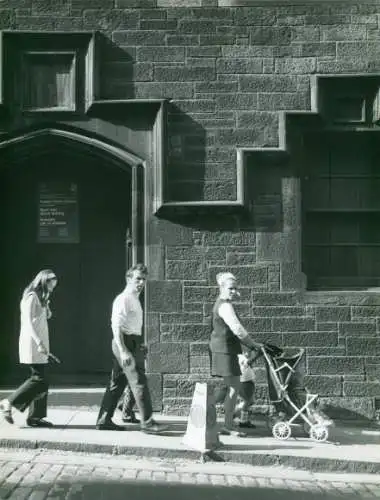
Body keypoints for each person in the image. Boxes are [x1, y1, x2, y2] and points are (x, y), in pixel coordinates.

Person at [96, 263, 168, 434]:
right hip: (124, 343)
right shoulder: (124, 298)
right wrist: (123, 350)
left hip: (132, 342)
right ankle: (148, 423)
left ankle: (103, 420)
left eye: (143, 279)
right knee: (139, 382)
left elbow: (132, 325)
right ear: (129, 279)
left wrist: (139, 342)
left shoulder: (134, 298)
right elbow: (116, 325)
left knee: (117, 384)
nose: (141, 282)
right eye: (138, 279)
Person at [0, 269, 58, 427]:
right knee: (39, 378)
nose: (53, 288)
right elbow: (27, 322)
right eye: (51, 285)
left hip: (40, 343)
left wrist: (47, 305)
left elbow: (45, 317)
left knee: (43, 380)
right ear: (44, 282)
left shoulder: (41, 298)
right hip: (33, 343)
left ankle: (35, 417)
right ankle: (9, 402)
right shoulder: (31, 297)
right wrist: (39, 342)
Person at [209, 272, 262, 436]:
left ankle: (208, 415)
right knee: (234, 387)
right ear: (222, 287)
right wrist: (252, 344)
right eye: (230, 288)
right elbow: (237, 329)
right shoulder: (225, 306)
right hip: (225, 350)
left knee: (229, 387)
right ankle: (228, 425)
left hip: (225, 349)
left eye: (235, 288)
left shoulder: (222, 303)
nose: (233, 291)